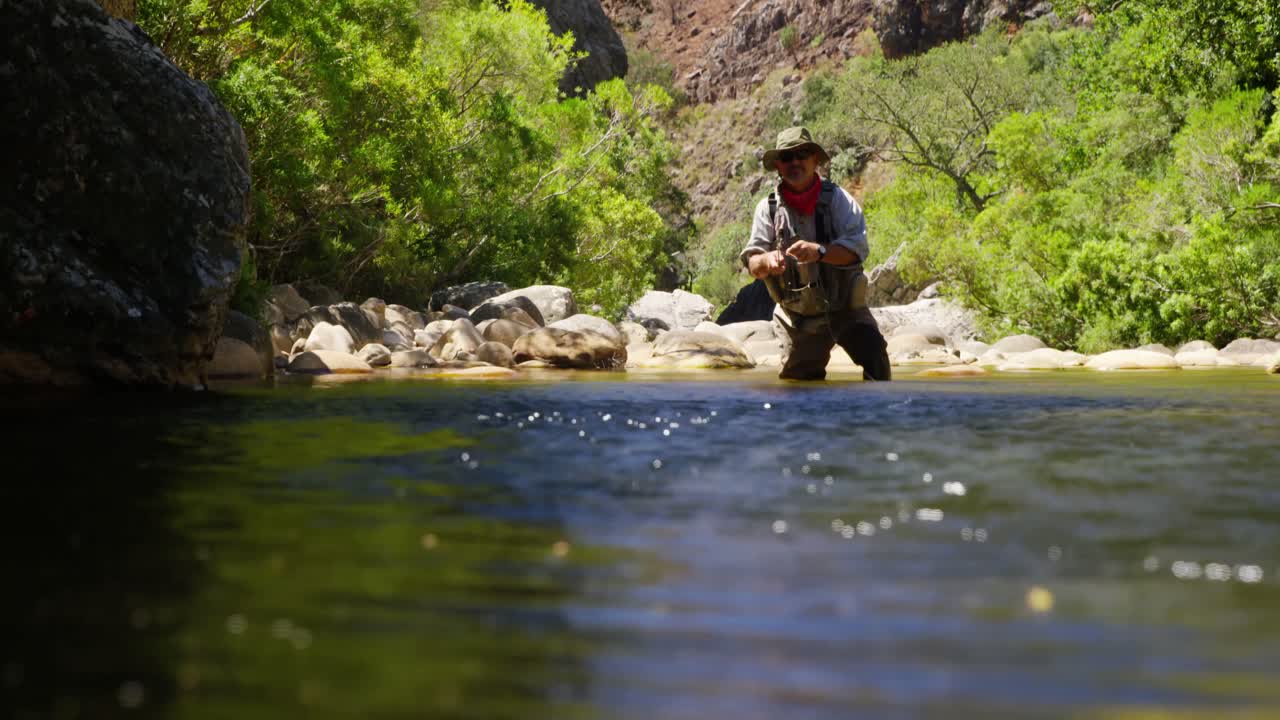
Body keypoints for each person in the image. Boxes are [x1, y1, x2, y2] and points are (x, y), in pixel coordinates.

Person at [740, 127, 891, 381]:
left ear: (815, 160)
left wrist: (819, 252)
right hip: (797, 319)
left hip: (845, 309)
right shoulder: (767, 209)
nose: (795, 162)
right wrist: (766, 261)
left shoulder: (839, 200)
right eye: (787, 157)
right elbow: (753, 263)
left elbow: (857, 251)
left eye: (802, 154)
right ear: (778, 165)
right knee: (798, 390)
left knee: (877, 366)